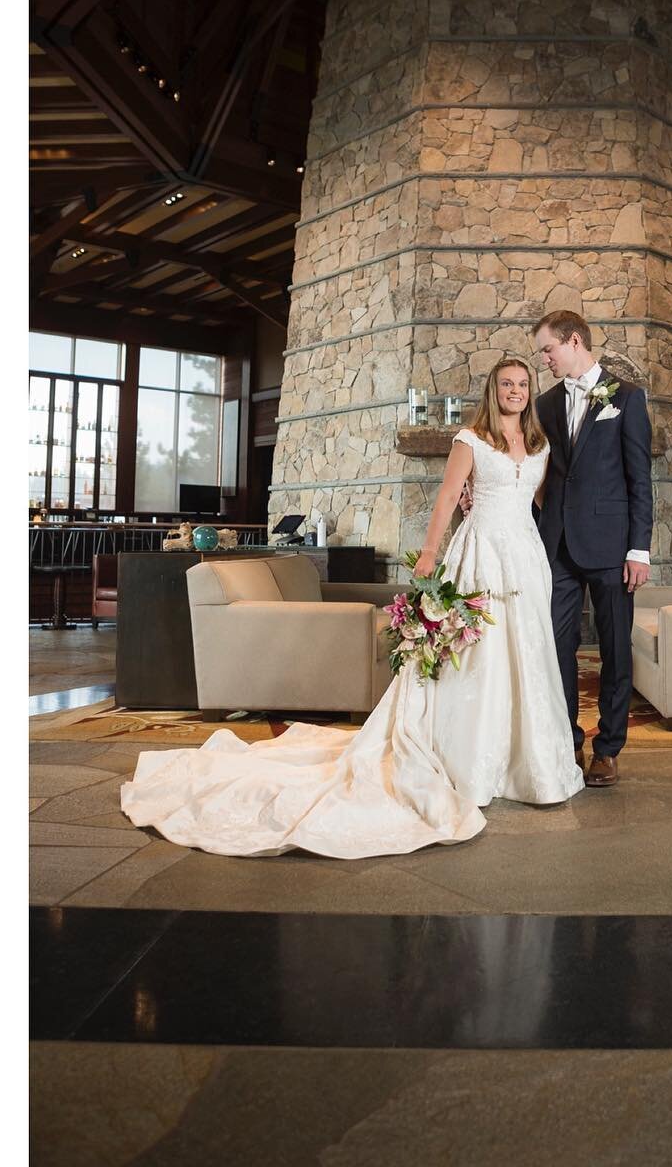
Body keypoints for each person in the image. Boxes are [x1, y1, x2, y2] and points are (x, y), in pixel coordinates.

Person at [119, 355, 583, 858]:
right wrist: (429, 556)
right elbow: (449, 498)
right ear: (493, 391)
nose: (515, 391)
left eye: (522, 385)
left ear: (529, 392)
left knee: (527, 653)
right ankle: (469, 762)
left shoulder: (539, 444)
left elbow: (538, 500)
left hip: (525, 557)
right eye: (506, 384)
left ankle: (527, 763)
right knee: (478, 654)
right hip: (481, 554)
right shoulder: (470, 440)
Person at [531, 310, 654, 788]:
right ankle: (567, 739)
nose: (545, 360)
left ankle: (608, 748)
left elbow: (638, 479)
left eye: (548, 349)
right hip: (556, 544)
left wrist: (638, 550)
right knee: (555, 648)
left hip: (611, 545)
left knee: (614, 651)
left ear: (574, 340)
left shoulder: (627, 398)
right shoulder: (542, 404)